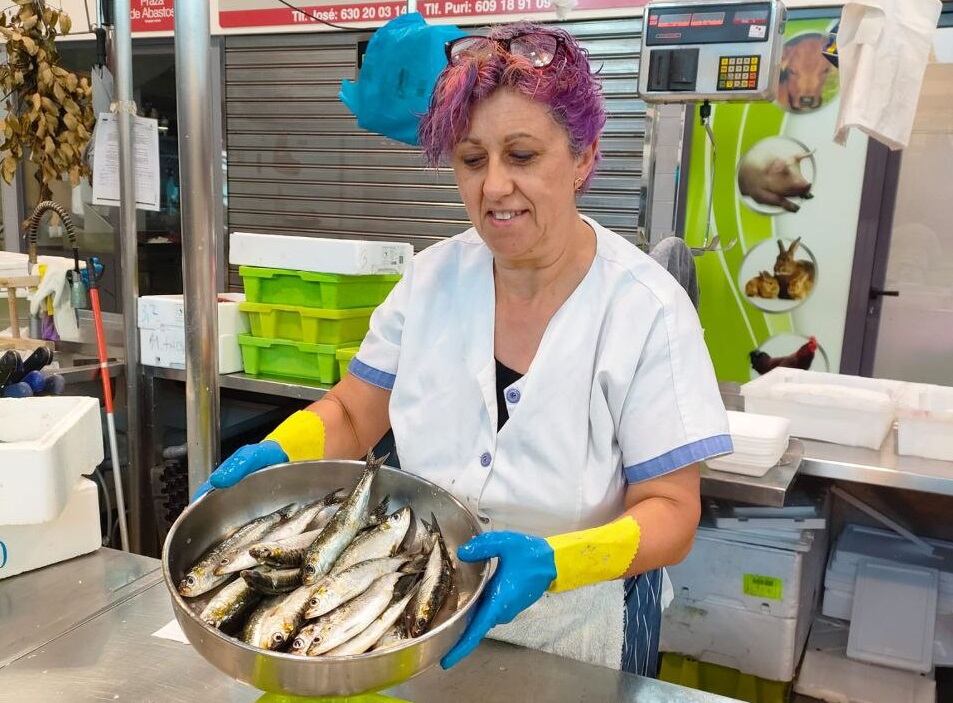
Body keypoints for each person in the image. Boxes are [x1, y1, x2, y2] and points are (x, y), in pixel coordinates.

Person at [198, 22, 730, 676]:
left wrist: (558, 561)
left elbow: (672, 513)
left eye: (523, 155)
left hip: (579, 623)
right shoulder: (429, 279)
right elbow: (356, 410)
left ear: (584, 157)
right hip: (416, 604)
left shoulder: (644, 309)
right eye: (472, 160)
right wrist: (284, 448)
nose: (494, 186)